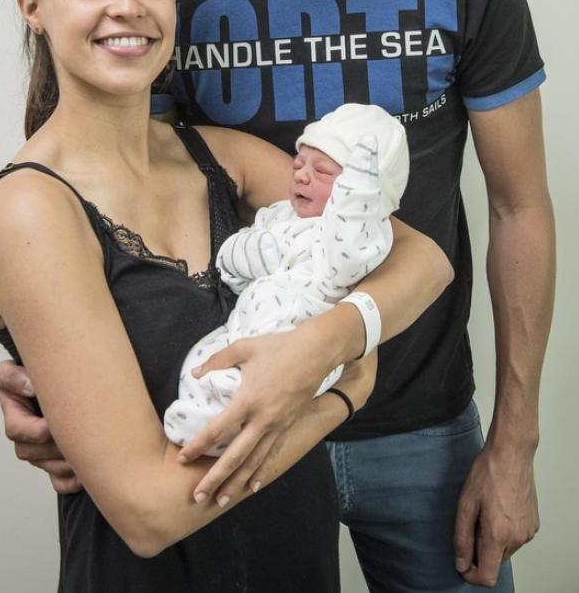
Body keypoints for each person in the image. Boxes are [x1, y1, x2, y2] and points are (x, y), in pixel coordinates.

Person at [0, 0, 555, 592]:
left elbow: (519, 208)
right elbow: (100, 197)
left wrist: (516, 441)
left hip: (423, 428)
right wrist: (37, 371)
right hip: (233, 421)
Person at [0, 0, 453, 592]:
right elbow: (148, 512)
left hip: (297, 562)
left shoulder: (222, 158)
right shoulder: (30, 210)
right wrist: (341, 394)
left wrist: (328, 343)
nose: (127, 6)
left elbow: (424, 258)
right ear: (32, 7)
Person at [164, 103, 412, 451]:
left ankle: (221, 435)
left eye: (322, 171)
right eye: (299, 164)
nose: (301, 176)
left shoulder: (357, 238)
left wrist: (357, 192)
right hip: (244, 324)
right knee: (201, 363)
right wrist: (248, 252)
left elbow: (347, 253)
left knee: (254, 390)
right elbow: (235, 263)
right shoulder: (281, 215)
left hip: (298, 340)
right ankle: (194, 424)